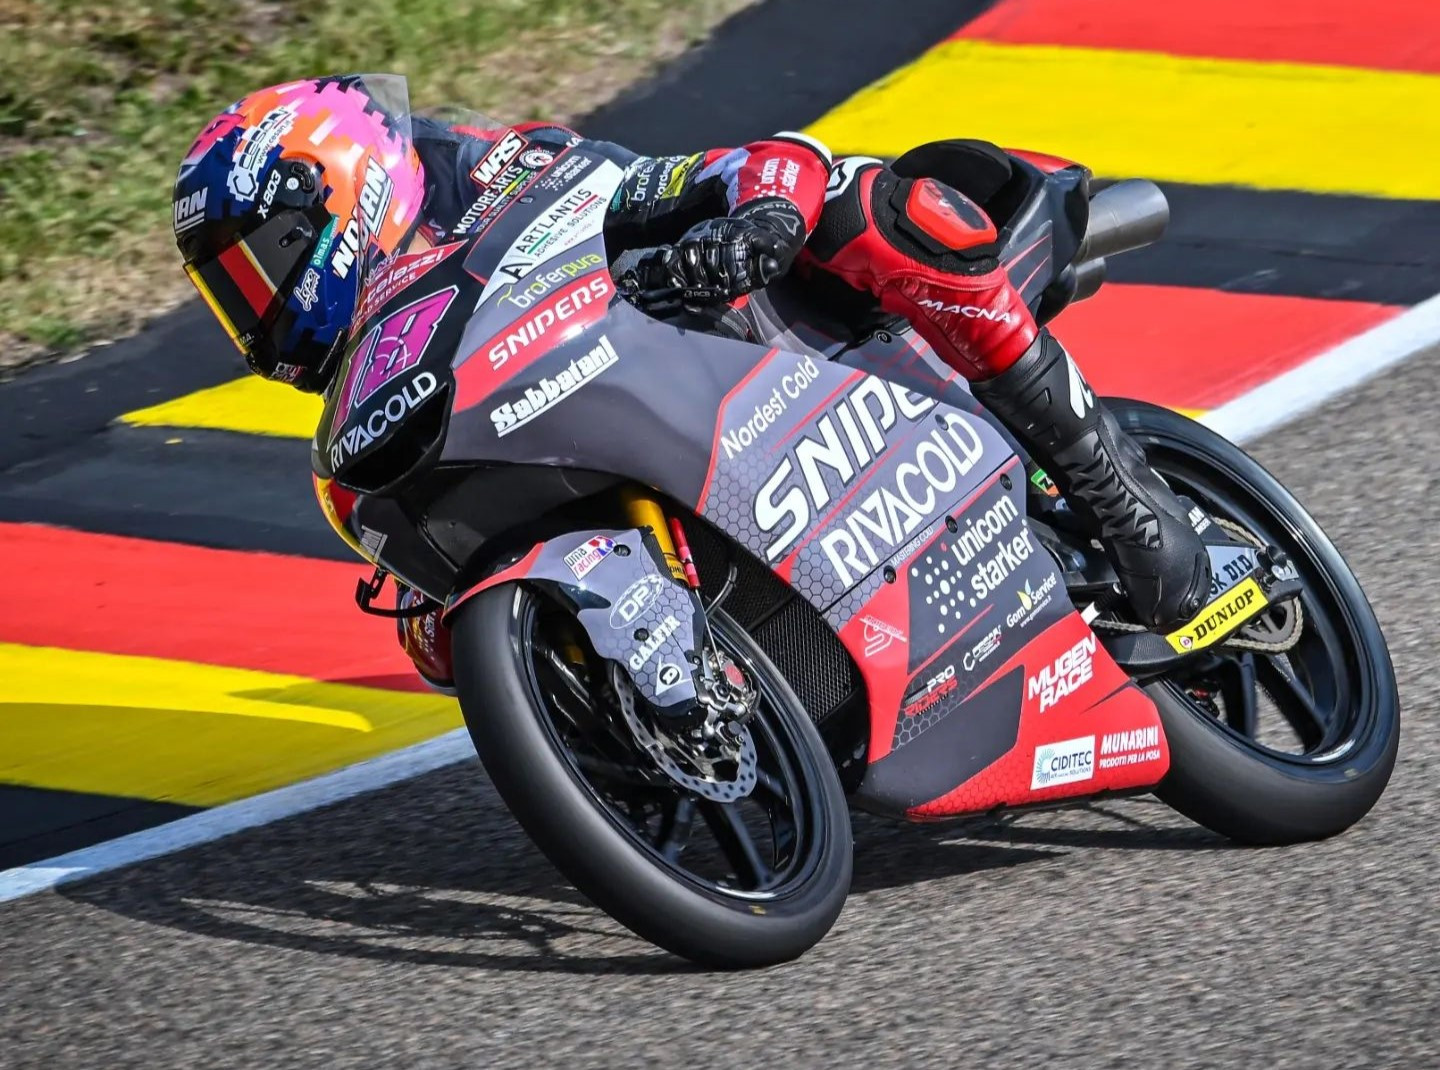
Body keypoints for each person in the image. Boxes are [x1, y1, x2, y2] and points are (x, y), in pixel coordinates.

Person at [173, 74, 1212, 666]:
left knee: (867, 207)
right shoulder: (382, 376)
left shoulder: (504, 172)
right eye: (232, 291)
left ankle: (1120, 495)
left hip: (774, 328)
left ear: (339, 191)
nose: (256, 303)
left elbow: (732, 167)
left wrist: (753, 221)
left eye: (258, 264)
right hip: (691, 444)